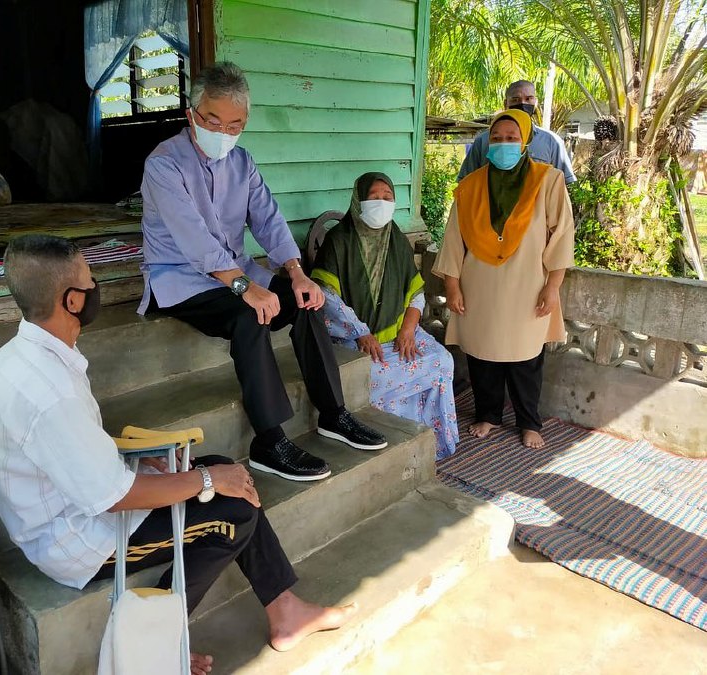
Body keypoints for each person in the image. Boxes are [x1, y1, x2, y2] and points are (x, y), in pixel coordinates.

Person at [0, 235, 356, 675]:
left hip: (72, 506)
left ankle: (285, 611)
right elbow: (114, 497)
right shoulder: (49, 390)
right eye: (91, 280)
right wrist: (209, 482)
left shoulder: (26, 354)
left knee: (219, 467)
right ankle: (154, 648)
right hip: (76, 541)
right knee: (234, 509)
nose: (97, 286)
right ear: (72, 300)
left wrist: (143, 464)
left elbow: (74, 455)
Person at [138, 62, 387, 483]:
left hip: (237, 271)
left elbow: (268, 220)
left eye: (235, 125)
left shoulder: (242, 162)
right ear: (191, 115)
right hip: (180, 279)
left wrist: (296, 272)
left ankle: (334, 414)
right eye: (213, 121)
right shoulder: (163, 164)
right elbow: (195, 242)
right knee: (248, 315)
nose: (224, 133)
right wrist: (245, 287)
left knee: (307, 301)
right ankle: (268, 441)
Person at [433, 110, 575, 449]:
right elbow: (454, 239)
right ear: (486, 143)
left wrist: (552, 287)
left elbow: (562, 235)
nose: (503, 144)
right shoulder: (469, 187)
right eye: (496, 139)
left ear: (524, 141)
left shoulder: (548, 180)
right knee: (482, 355)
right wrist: (452, 286)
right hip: (479, 285)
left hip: (528, 285)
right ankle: (488, 415)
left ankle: (529, 422)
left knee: (526, 357)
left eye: (511, 138)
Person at [311, 172, 459, 460]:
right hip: (353, 335)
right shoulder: (338, 240)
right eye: (374, 197)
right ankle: (384, 444)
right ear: (358, 201)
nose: (381, 202)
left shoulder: (397, 239)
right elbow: (325, 295)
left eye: (387, 197)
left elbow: (415, 291)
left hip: (398, 330)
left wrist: (408, 329)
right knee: (374, 375)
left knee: (441, 360)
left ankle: (431, 442)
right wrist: (360, 331)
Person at [458, 80, 576, 184]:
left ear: (535, 102)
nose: (522, 103)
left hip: (537, 207)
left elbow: (562, 185)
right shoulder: (483, 141)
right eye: (516, 99)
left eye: (528, 99)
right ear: (506, 104)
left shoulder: (552, 141)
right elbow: (467, 182)